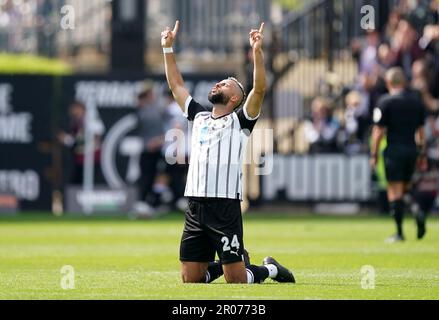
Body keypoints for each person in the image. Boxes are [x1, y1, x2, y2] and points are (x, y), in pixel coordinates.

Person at [161, 20, 295, 284]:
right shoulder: (198, 116)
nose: (218, 85)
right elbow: (176, 86)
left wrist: (257, 52)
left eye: (225, 84)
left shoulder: (241, 121)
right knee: (190, 280)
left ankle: (270, 269)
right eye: (219, 83)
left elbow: (259, 89)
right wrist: (167, 49)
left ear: (235, 98)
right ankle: (225, 262)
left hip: (224, 207)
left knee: (237, 281)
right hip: (195, 205)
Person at [370, 67, 427, 243]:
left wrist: (374, 154)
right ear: (404, 82)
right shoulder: (416, 101)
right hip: (411, 150)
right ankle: (417, 209)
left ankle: (399, 232)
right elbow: (421, 131)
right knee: (405, 189)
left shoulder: (385, 101)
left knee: (394, 192)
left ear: (389, 83)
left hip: (394, 150)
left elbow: (379, 131)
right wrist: (422, 154)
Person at [134, 82, 165, 214]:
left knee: (162, 176)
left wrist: (161, 139)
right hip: (147, 150)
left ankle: (155, 202)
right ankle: (143, 202)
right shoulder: (141, 110)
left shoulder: (159, 108)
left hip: (162, 149)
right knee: (146, 177)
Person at [58, 101, 104, 185]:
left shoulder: (91, 120)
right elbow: (76, 140)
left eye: (76, 110)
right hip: (80, 161)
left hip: (91, 160)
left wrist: (69, 139)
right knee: (76, 184)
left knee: (90, 183)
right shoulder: (75, 122)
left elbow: (96, 136)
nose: (73, 112)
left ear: (81, 109)